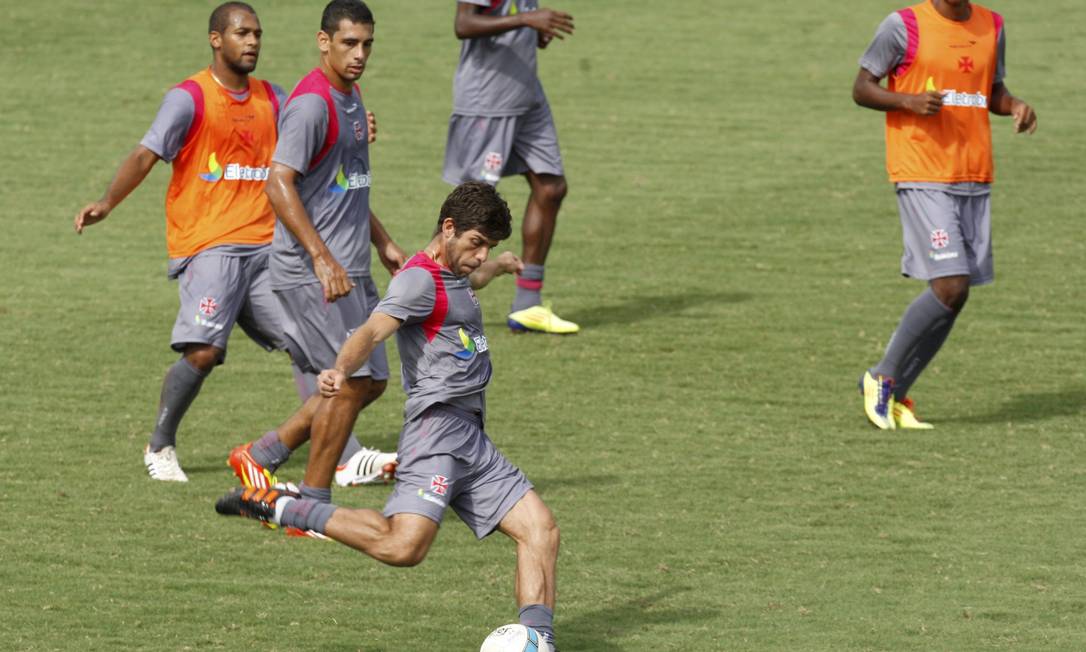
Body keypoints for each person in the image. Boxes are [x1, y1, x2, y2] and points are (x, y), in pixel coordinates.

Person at [217, 182, 560, 648]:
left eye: (490, 247)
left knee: (540, 529)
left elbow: (468, 284)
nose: (481, 256)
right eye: (478, 244)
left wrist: (497, 267)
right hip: (436, 432)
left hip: (471, 438)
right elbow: (373, 330)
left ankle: (537, 641)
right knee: (404, 547)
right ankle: (285, 507)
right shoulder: (417, 280)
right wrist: (339, 369)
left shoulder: (456, 273)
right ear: (448, 228)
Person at [74, 2, 290, 482]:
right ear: (216, 39)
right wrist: (108, 202)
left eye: (257, 33)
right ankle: (160, 446)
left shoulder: (274, 98)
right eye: (241, 33)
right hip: (209, 245)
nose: (252, 41)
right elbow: (145, 155)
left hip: (266, 249)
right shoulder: (188, 99)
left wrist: (363, 132)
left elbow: (316, 134)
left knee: (309, 345)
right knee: (203, 352)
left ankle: (334, 451)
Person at [225, 0, 410, 527]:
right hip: (315, 275)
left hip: (349, 267)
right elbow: (278, 182)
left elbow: (343, 185)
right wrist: (321, 257)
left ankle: (260, 456)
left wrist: (383, 241)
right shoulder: (311, 104)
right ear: (323, 42)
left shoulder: (349, 97)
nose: (360, 55)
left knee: (369, 382)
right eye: (349, 43)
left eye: (367, 44)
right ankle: (310, 504)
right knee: (348, 382)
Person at [853, 0, 1037, 429]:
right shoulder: (904, 25)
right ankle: (880, 377)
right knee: (950, 283)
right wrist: (908, 102)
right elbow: (862, 87)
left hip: (973, 172)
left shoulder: (992, 25)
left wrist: (1015, 106)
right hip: (921, 168)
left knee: (957, 293)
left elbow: (991, 91)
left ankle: (894, 394)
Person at [443, 0, 579, 335]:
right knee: (471, 206)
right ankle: (440, 299)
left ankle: (527, 304)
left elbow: (511, 16)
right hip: (488, 99)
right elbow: (465, 23)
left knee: (551, 187)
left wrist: (531, 31)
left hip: (527, 95)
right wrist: (528, 19)